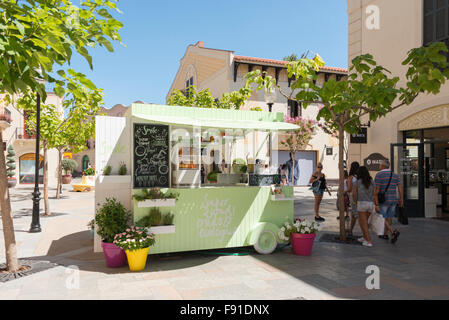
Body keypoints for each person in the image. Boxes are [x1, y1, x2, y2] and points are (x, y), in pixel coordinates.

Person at [374, 159, 403, 244]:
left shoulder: (379, 175)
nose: (379, 166)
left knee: (382, 217)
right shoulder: (395, 175)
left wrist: (375, 200)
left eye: (380, 165)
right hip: (393, 199)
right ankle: (385, 234)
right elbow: (400, 187)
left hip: (383, 200)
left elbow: (376, 189)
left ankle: (392, 231)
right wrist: (401, 198)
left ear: (382, 166)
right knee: (389, 217)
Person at [353, 166, 374, 247]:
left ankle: (368, 241)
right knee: (363, 223)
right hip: (370, 204)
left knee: (363, 223)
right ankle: (364, 237)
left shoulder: (357, 182)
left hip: (361, 204)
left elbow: (354, 194)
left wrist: (355, 202)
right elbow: (375, 192)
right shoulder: (371, 181)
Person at [346, 161, 360, 237]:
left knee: (355, 215)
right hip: (361, 196)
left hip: (353, 196)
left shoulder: (351, 177)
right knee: (354, 214)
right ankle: (350, 229)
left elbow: (349, 189)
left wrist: (343, 191)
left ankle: (351, 230)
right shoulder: (360, 176)